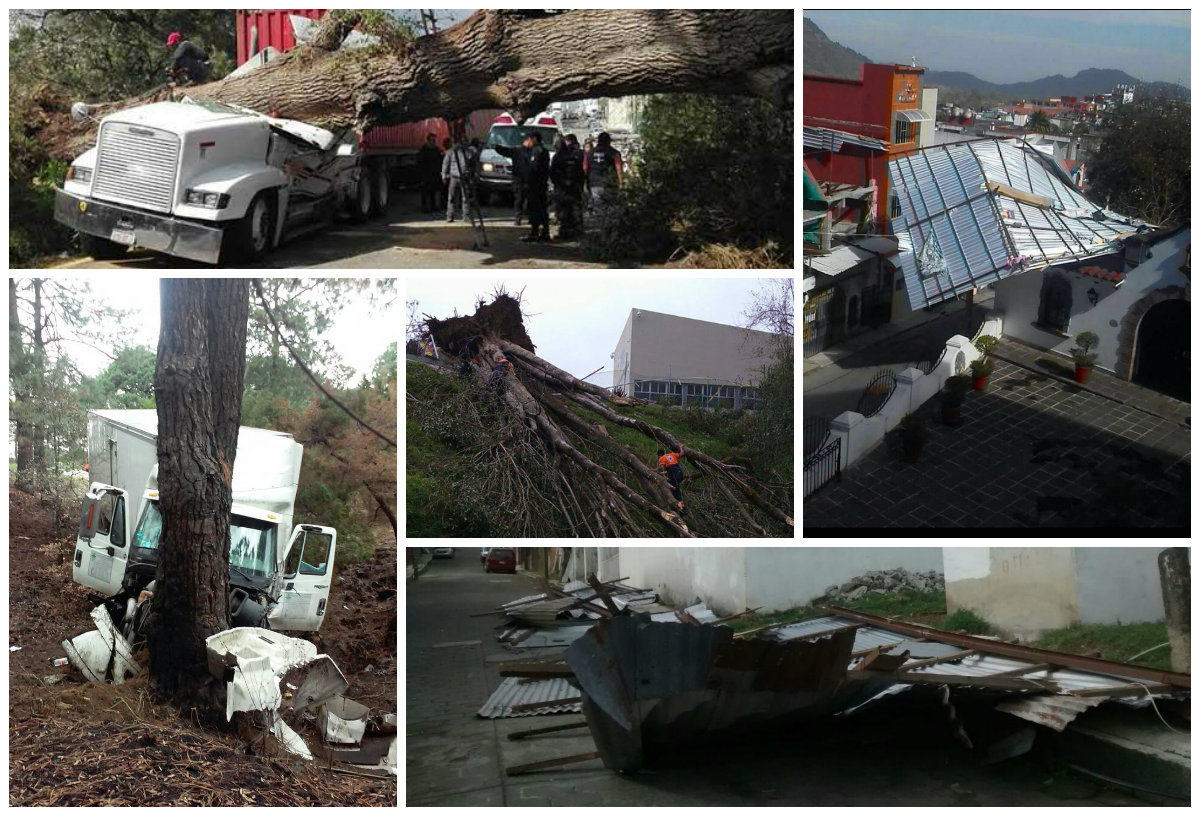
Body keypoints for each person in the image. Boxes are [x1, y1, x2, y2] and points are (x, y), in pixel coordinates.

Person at [491, 131, 550, 242]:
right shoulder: (523, 151)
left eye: (527, 140)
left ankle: (539, 232)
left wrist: (530, 181)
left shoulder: (538, 151)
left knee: (537, 208)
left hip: (535, 186)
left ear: (533, 139)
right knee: (533, 207)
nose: (526, 142)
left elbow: (535, 169)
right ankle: (538, 231)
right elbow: (507, 151)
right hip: (531, 185)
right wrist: (496, 147)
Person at [550, 134, 584, 240]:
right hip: (573, 187)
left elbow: (552, 173)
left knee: (563, 211)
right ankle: (575, 230)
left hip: (562, 188)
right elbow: (580, 172)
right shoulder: (574, 156)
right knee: (572, 209)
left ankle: (564, 231)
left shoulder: (557, 157)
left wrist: (558, 183)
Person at [584, 132, 624, 216]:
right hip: (610, 184)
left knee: (599, 209)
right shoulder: (614, 153)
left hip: (594, 184)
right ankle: (610, 227)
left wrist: (586, 182)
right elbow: (618, 168)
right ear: (609, 141)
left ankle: (600, 226)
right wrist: (621, 183)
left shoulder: (589, 153)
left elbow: (585, 168)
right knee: (611, 209)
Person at [442, 139, 476, 223]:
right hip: (454, 177)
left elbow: (473, 164)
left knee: (466, 198)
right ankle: (449, 216)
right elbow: (445, 163)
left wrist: (473, 175)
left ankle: (466, 216)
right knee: (451, 198)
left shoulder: (468, 152)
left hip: (465, 178)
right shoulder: (450, 152)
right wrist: (444, 175)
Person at [657, 445, 687, 515]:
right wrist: (681, 447)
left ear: (659, 455)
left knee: (677, 492)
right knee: (672, 486)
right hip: (680, 474)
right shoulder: (672, 454)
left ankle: (682, 510)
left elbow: (661, 468)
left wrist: (655, 471)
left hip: (674, 475)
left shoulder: (661, 458)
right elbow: (682, 454)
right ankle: (675, 506)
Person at [417, 134, 443, 214]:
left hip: (435, 174)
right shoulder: (423, 150)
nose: (433, 142)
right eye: (432, 140)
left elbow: (440, 161)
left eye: (434, 140)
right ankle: (425, 207)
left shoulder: (436, 150)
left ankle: (433, 206)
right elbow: (420, 163)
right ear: (428, 140)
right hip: (426, 174)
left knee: (434, 191)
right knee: (425, 192)